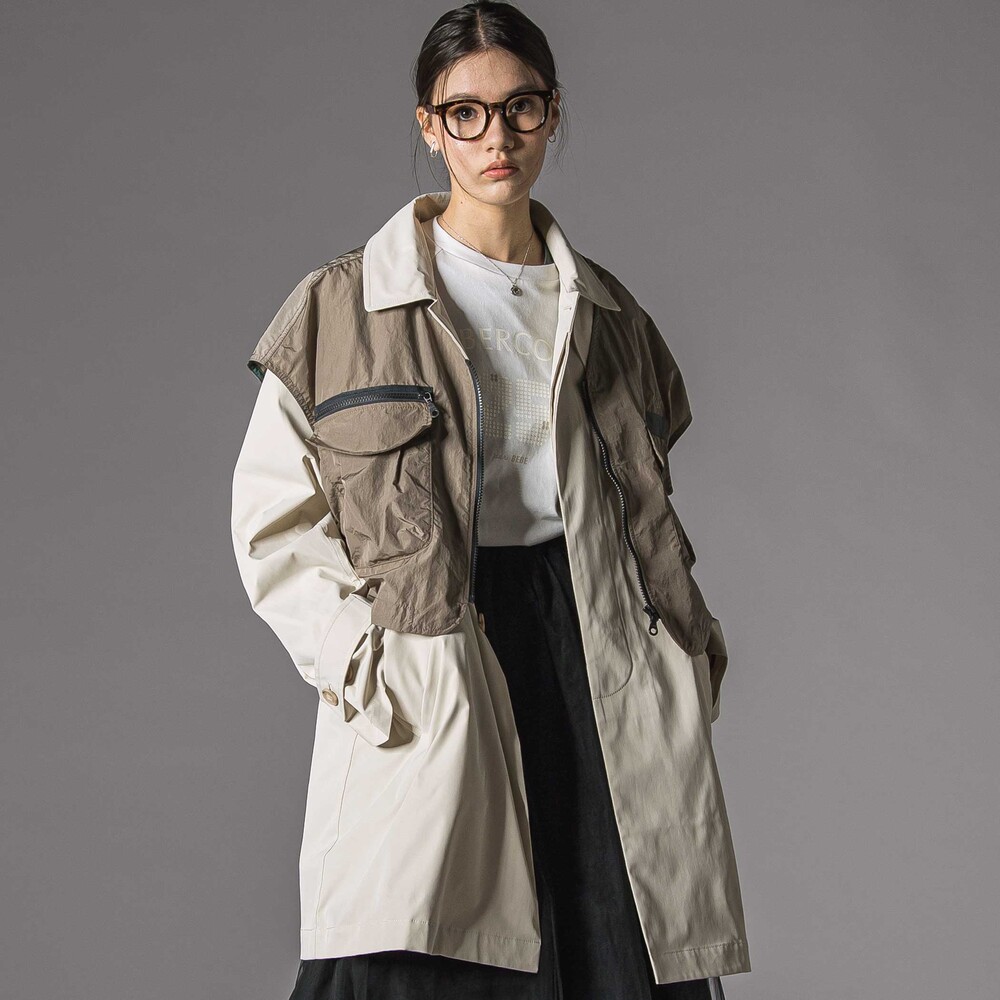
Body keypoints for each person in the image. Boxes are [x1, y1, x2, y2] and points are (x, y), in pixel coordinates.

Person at [230, 3, 750, 998]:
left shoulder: (610, 316)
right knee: (420, 946)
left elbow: (644, 519)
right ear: (429, 126)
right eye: (465, 113)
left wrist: (687, 652)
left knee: (617, 944)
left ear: (553, 113)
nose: (496, 137)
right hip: (441, 642)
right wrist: (359, 657)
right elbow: (273, 522)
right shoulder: (342, 307)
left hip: (590, 641)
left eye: (521, 107)